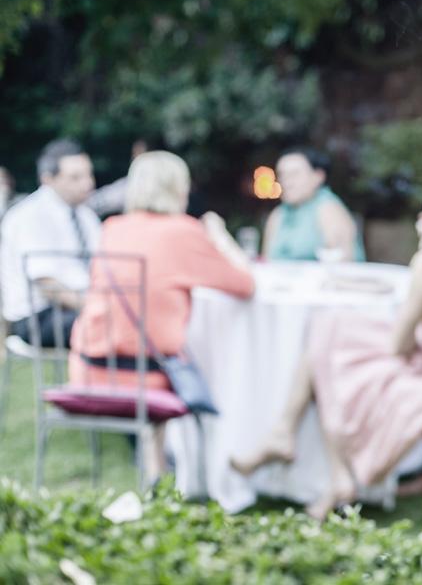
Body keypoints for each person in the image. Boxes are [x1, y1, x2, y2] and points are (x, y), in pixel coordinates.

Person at [232, 156, 422, 519]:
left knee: (330, 348)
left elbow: (400, 344)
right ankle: (308, 453)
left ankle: (331, 469)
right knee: (333, 326)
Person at [68, 150, 255, 480]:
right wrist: (220, 236)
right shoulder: (185, 232)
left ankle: (156, 468)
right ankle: (212, 468)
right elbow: (245, 284)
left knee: (154, 344)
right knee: (195, 358)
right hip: (149, 377)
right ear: (178, 188)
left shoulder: (112, 227)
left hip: (89, 371)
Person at [1, 139, 100, 347]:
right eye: (75, 177)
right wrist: (95, 306)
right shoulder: (29, 216)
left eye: (88, 174)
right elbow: (47, 283)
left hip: (76, 308)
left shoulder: (86, 216)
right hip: (37, 317)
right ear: (48, 179)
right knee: (110, 325)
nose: (88, 183)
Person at [262, 148, 365, 262]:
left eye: (294, 174)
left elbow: (340, 260)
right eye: (282, 175)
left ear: (318, 176)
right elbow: (267, 260)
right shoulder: (278, 214)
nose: (286, 182)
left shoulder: (328, 208)